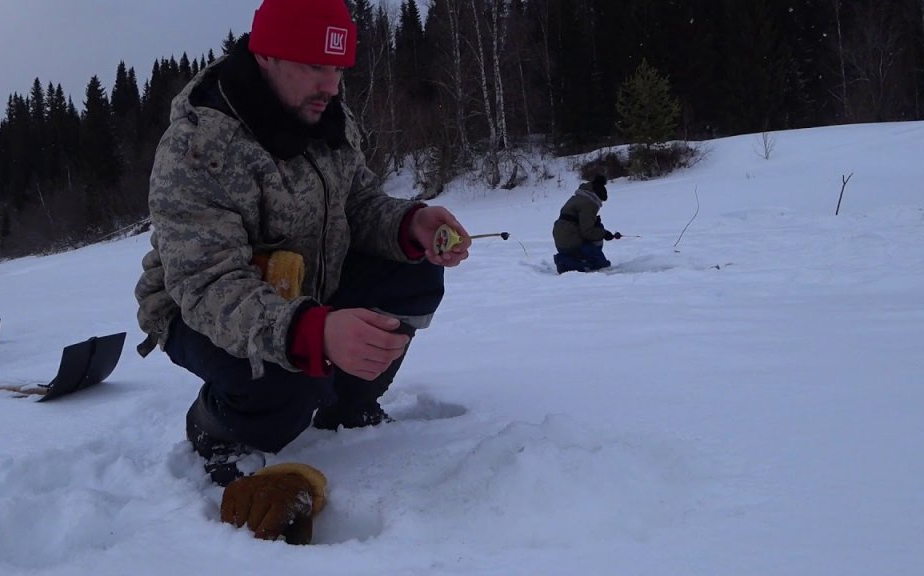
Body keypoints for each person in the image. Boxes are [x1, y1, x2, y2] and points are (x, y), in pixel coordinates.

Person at [133, 0, 471, 543]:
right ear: (266, 55)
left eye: (338, 69)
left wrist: (410, 226)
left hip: (307, 287)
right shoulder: (200, 145)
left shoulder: (325, 115)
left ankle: (349, 406)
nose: (331, 85)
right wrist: (313, 333)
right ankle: (220, 429)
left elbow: (358, 205)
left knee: (413, 278)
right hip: (194, 308)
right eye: (315, 66)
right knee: (289, 376)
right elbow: (208, 284)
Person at [552, 174, 620, 273]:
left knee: (597, 226)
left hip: (561, 240)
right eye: (601, 201)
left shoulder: (578, 198)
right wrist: (605, 234)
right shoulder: (589, 204)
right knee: (599, 264)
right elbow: (587, 231)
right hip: (570, 240)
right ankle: (564, 262)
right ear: (597, 196)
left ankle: (568, 258)